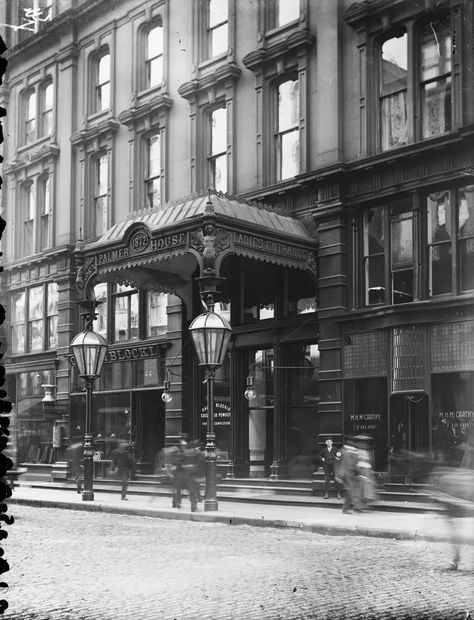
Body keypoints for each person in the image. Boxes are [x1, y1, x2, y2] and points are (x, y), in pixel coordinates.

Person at [337, 438, 361, 513]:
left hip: (351, 474)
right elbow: (336, 462)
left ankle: (351, 507)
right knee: (350, 491)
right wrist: (337, 475)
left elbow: (355, 463)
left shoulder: (353, 452)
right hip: (345, 474)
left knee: (350, 491)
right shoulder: (341, 451)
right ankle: (351, 507)